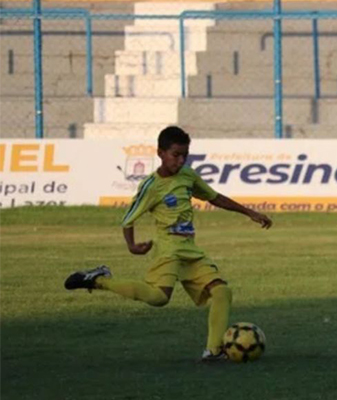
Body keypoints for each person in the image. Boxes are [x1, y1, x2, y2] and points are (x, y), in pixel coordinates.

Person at [64, 126, 272, 363]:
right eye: (176, 155)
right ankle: (99, 279)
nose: (181, 160)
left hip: (190, 251)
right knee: (158, 298)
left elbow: (214, 197)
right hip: (168, 251)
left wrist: (249, 212)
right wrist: (132, 245)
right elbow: (129, 218)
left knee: (222, 292)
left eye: (185, 155)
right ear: (160, 153)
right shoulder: (151, 186)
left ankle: (213, 351)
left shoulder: (187, 175)